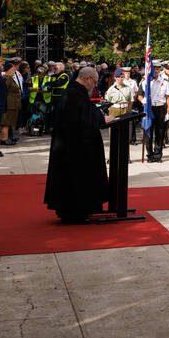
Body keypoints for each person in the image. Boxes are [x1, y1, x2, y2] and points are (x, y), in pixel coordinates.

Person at [44, 66, 112, 223]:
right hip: (74, 148)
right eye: (94, 82)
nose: (95, 85)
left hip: (71, 146)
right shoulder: (75, 94)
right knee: (76, 179)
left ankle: (75, 211)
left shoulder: (74, 92)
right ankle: (75, 212)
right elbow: (81, 119)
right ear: (87, 79)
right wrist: (101, 119)